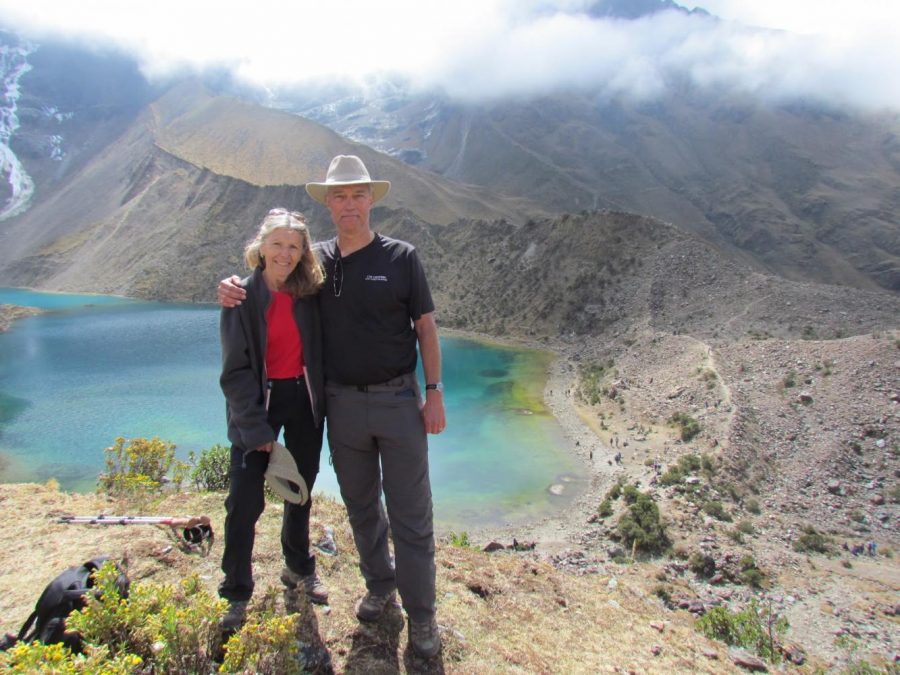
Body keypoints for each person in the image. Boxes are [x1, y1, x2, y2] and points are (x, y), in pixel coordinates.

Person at [218, 155, 446, 659]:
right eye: (339, 196)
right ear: (328, 203)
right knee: (361, 506)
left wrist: (434, 391)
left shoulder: (401, 257)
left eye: (357, 194)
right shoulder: (315, 263)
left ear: (371, 200)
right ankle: (379, 585)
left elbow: (425, 327)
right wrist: (233, 285)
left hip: (396, 400)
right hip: (340, 405)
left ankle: (424, 619)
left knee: (410, 513)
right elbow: (269, 277)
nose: (348, 204)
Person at [218, 208, 327, 633]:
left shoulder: (310, 294)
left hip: (303, 401)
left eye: (294, 246)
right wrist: (255, 428)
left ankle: (298, 569)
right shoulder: (241, 297)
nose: (285, 253)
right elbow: (235, 370)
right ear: (261, 247)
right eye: (277, 244)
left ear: (303, 253)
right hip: (257, 407)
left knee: (299, 493)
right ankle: (237, 591)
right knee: (244, 502)